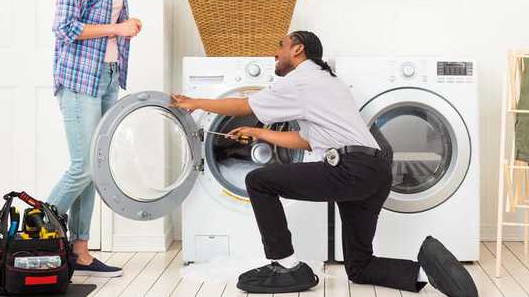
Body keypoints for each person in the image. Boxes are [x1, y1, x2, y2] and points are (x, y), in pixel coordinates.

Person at [171, 31, 478, 296]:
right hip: (375, 171)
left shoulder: (300, 80)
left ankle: (286, 265)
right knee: (359, 267)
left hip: (350, 168)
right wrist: (257, 132)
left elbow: (243, 104)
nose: (274, 54)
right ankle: (429, 273)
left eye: (280, 46)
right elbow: (306, 140)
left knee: (258, 181)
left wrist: (195, 102)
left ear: (297, 49)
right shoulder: (329, 82)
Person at [48, 0, 153, 278]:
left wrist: (128, 23)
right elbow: (63, 27)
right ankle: (35, 226)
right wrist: (116, 29)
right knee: (83, 166)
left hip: (107, 76)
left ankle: (79, 252)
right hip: (80, 79)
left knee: (95, 166)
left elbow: (112, 19)